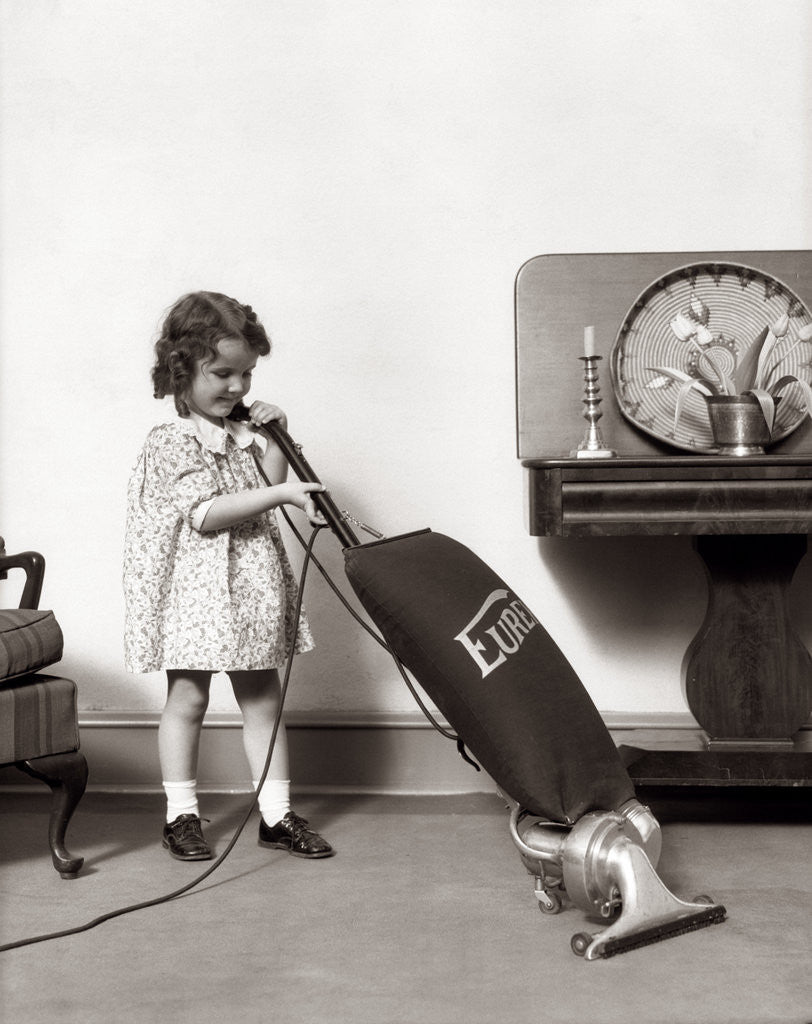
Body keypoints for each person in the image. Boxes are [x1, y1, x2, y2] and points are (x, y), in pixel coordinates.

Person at [124, 291, 334, 861]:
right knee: (188, 697)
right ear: (180, 370)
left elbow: (260, 490)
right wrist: (285, 491)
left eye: (246, 374)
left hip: (248, 586)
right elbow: (208, 512)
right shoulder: (171, 441)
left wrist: (278, 439)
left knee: (263, 699)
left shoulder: (241, 435)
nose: (238, 387)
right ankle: (180, 815)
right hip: (193, 593)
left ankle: (275, 814)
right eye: (222, 373)